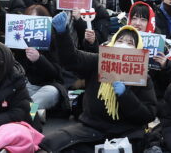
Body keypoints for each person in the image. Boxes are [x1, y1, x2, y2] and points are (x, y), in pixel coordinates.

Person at [41, 19, 157, 152]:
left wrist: (126, 95)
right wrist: (62, 34)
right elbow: (72, 60)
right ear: (112, 42)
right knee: (51, 143)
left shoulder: (142, 77)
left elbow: (148, 115)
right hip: (92, 128)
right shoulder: (99, 61)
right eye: (120, 41)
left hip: (126, 133)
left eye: (130, 43)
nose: (124, 45)